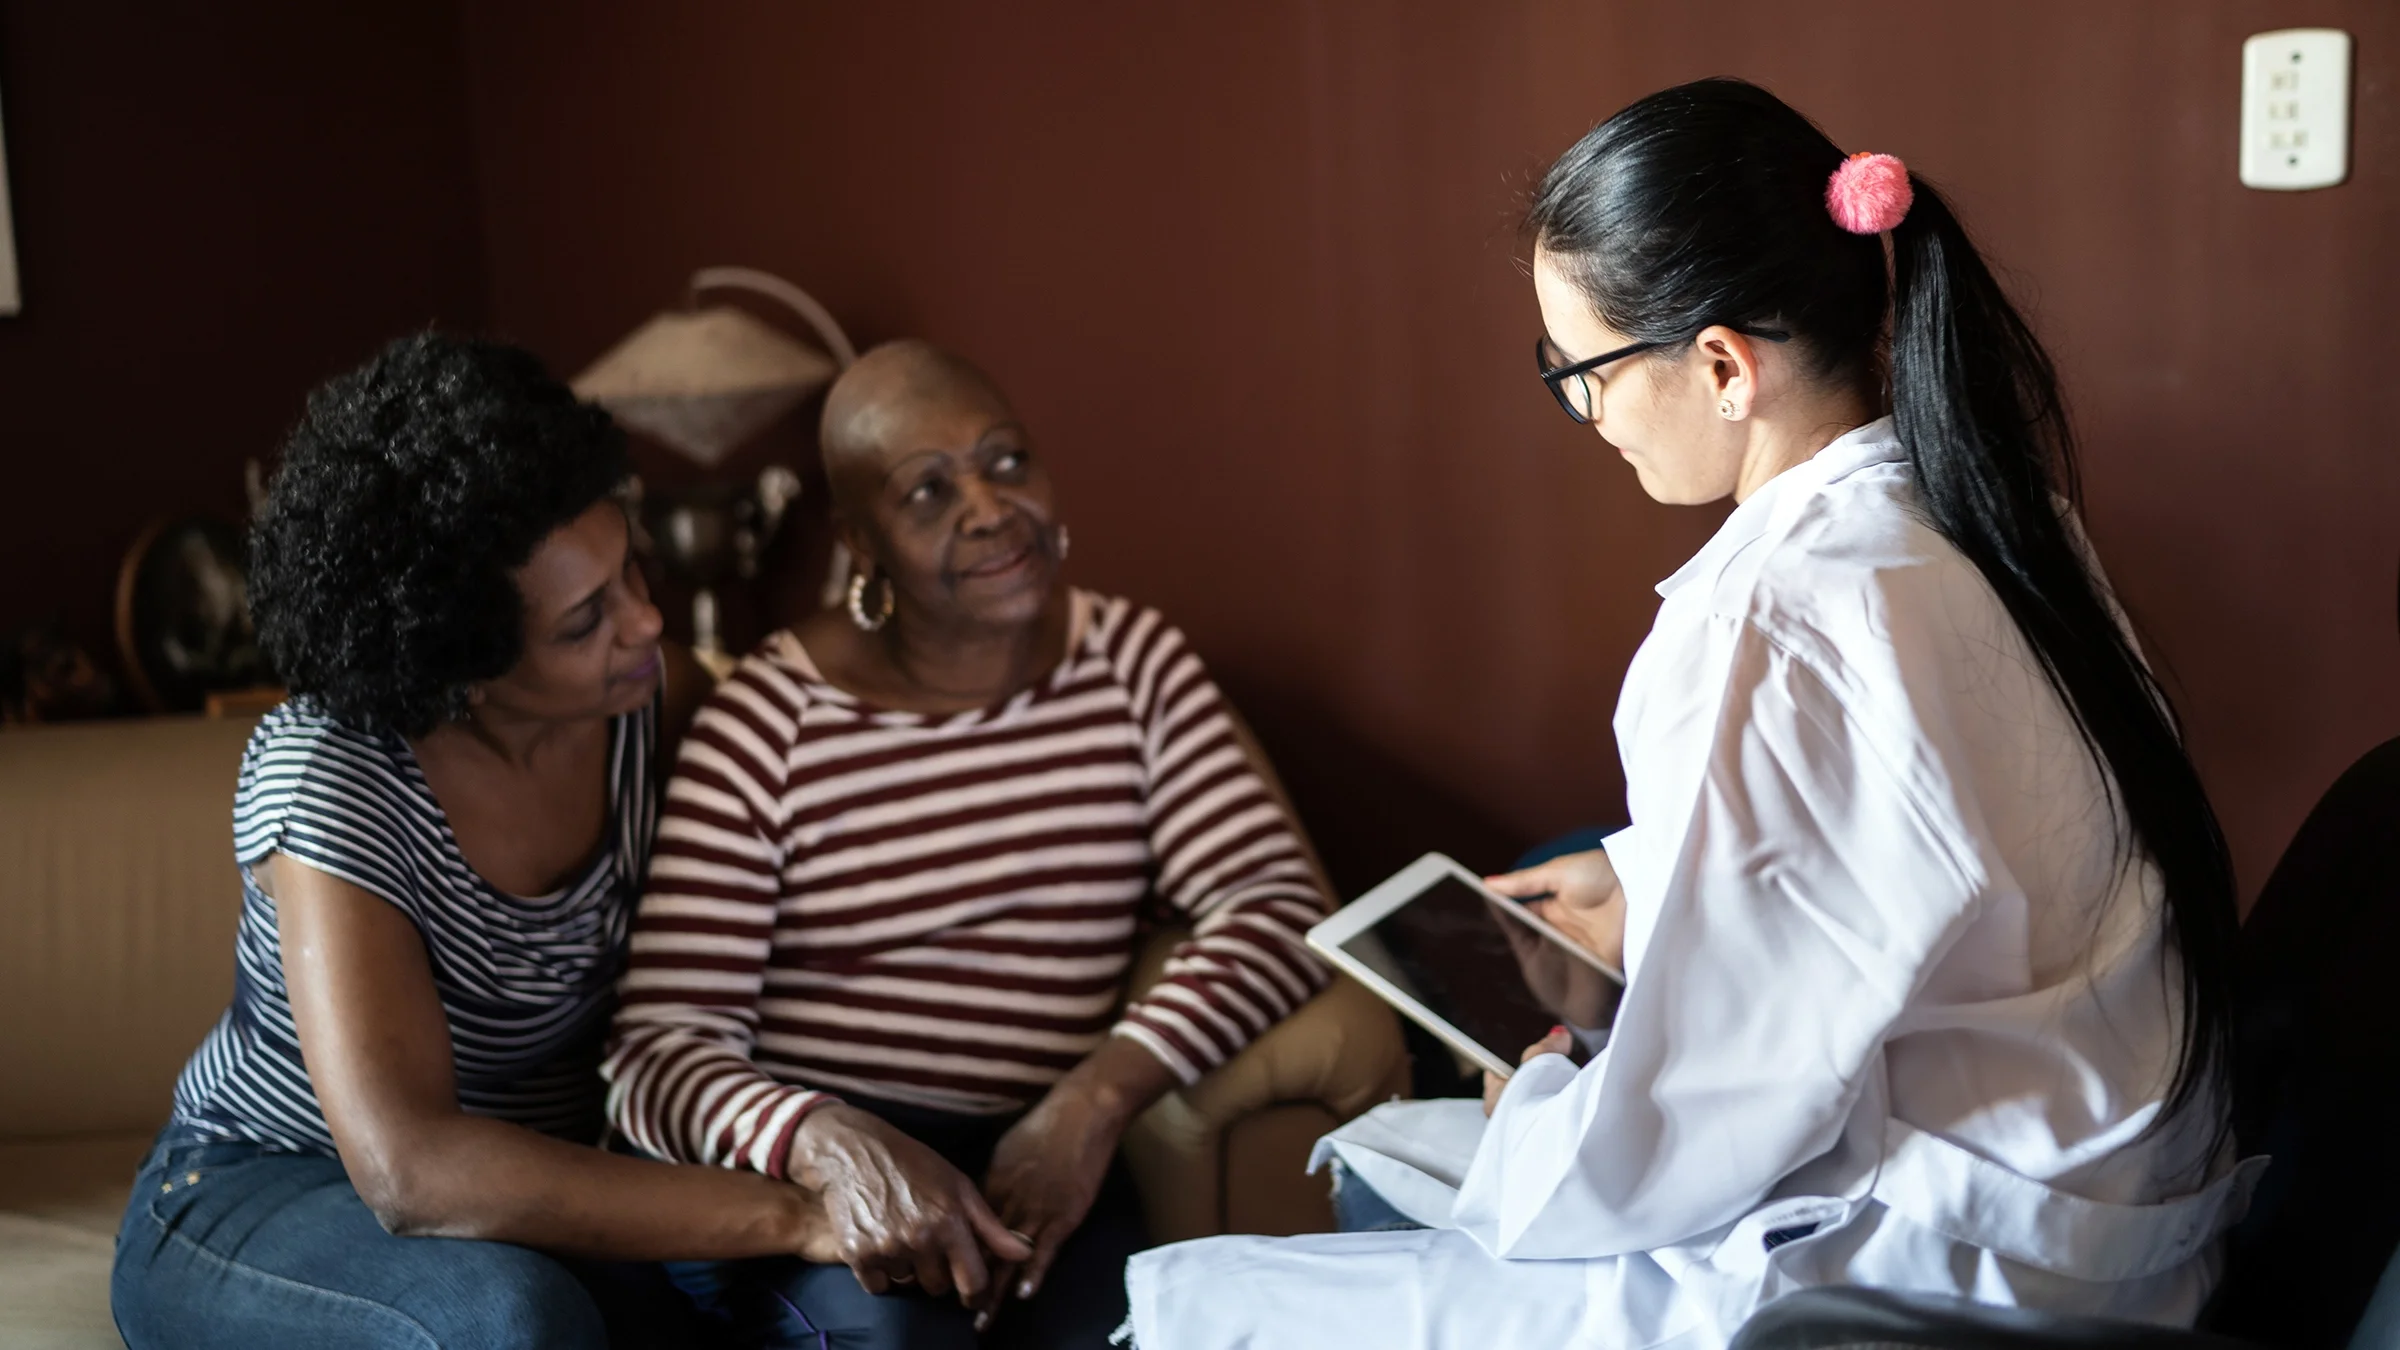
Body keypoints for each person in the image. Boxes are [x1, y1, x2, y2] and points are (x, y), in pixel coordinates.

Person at [1122, 78, 2258, 1350]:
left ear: (1723, 365)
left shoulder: (1766, 617)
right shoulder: (1991, 513)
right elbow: (1919, 845)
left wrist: (1537, 1083)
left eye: (1583, 374)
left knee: (1197, 1305)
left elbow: (1692, 1123)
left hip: (1914, 1283)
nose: (1584, 416)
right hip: (2119, 1221)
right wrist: (1632, 882)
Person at [110, 334, 862, 1349]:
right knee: (513, 1323)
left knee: (858, 1311)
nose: (645, 621)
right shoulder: (332, 776)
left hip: (538, 1189)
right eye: (583, 619)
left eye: (630, 565)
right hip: (263, 1190)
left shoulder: (653, 700)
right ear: (459, 665)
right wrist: (793, 1212)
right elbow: (411, 1170)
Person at [603, 339, 1333, 1349]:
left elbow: (1280, 905)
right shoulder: (772, 720)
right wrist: (826, 1143)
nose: (989, 509)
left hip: (1035, 1158)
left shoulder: (1131, 663)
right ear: (862, 544)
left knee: (1157, 1330)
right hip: (818, 1185)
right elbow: (656, 1051)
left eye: (1005, 462)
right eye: (927, 493)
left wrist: (1091, 1103)